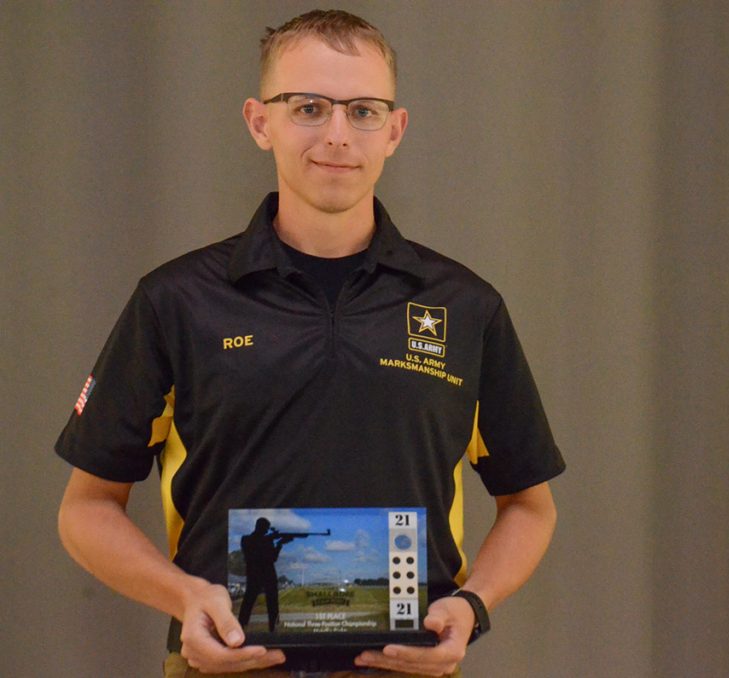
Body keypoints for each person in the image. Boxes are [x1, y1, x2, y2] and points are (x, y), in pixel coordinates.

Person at [55, 9, 564, 678]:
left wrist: (473, 603)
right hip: (223, 667)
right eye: (308, 107)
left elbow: (530, 505)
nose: (336, 135)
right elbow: (86, 509)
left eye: (363, 112)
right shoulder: (176, 301)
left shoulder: (464, 307)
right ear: (259, 122)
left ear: (395, 130)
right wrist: (185, 597)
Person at [238, 518, 286, 634]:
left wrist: (279, 544)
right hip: (257, 573)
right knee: (249, 601)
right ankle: (241, 625)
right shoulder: (247, 539)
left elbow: (273, 558)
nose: (266, 531)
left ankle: (273, 626)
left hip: (264, 574)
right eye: (265, 528)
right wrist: (273, 540)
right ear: (260, 527)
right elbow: (256, 549)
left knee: (271, 601)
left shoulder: (265, 540)